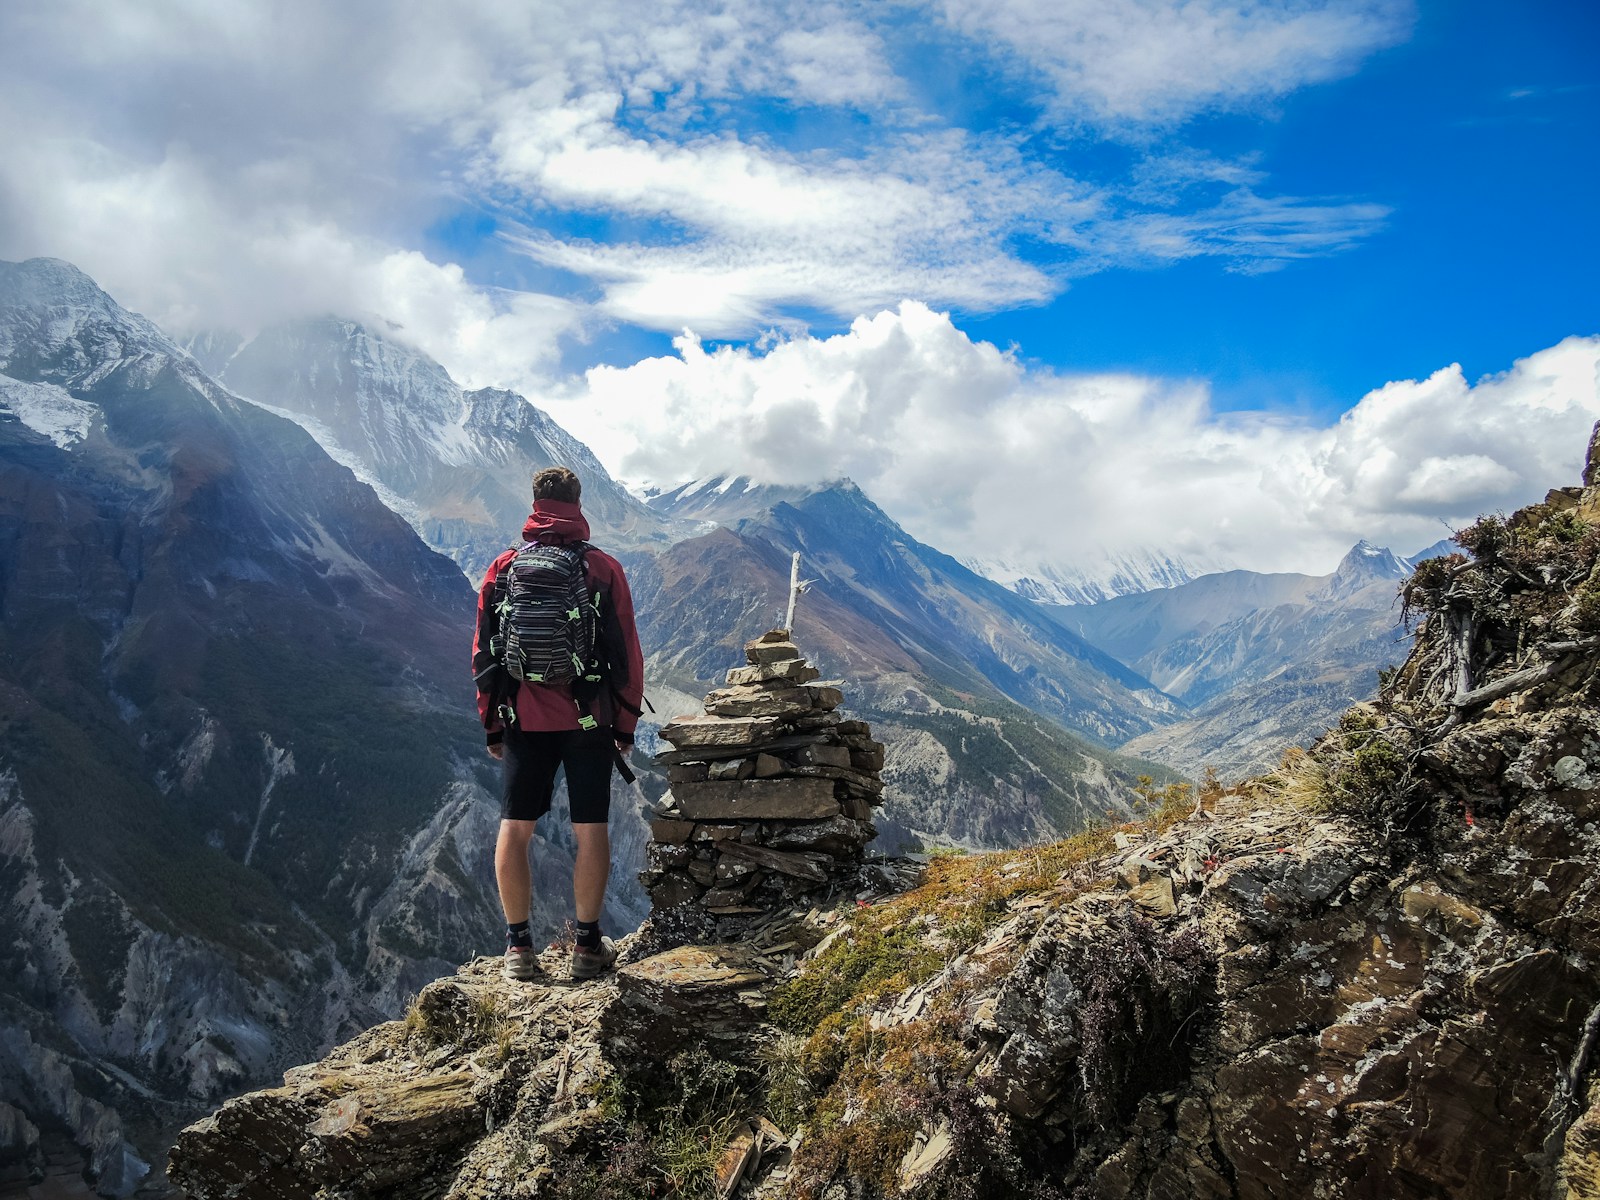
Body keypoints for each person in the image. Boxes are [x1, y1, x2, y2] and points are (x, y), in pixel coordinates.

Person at [472, 467, 644, 980]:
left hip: (523, 717)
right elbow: (627, 653)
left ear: (534, 503)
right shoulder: (603, 569)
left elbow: (484, 653)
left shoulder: (503, 568)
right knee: (591, 830)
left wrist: (492, 725)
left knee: (515, 828)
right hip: (589, 719)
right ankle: (588, 947)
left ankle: (519, 949)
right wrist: (626, 724)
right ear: (578, 503)